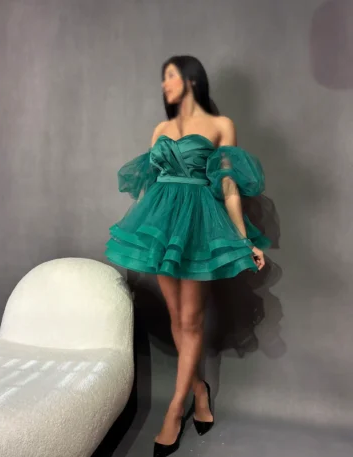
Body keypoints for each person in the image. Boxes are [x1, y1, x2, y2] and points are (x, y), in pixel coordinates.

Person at [105, 55, 271, 457]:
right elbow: (151, 186)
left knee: (191, 321)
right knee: (177, 318)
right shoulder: (160, 129)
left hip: (198, 225)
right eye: (163, 78)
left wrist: (243, 238)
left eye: (170, 76)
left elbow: (228, 184)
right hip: (163, 225)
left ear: (191, 80)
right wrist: (148, 230)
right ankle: (199, 390)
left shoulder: (221, 125)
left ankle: (174, 411)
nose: (164, 84)